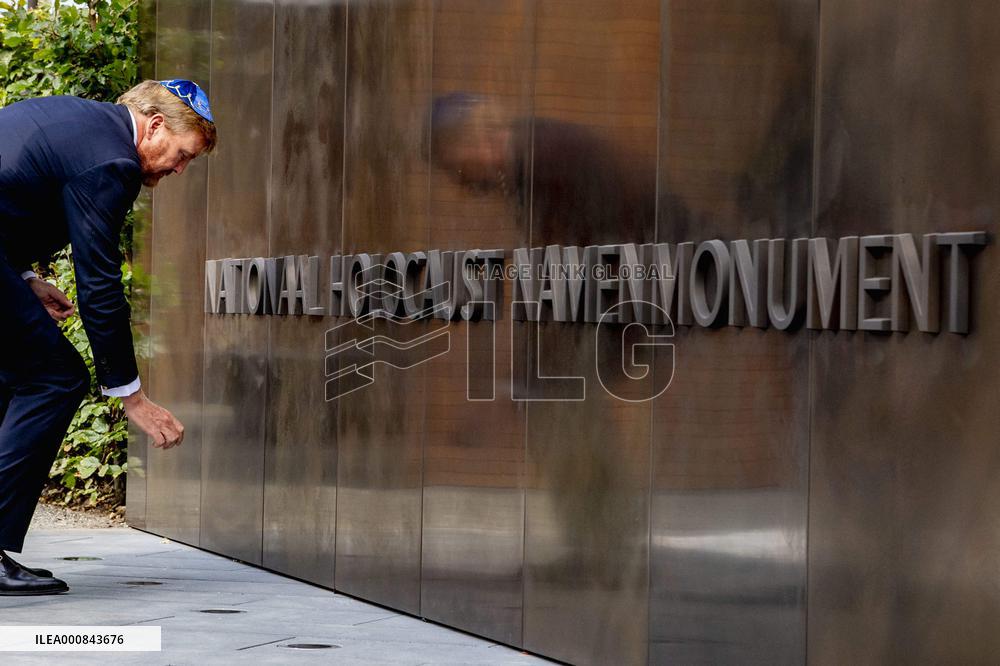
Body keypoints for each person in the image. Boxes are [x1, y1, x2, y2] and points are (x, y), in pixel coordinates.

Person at [0, 79, 216, 595]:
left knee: (15, 377)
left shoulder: (76, 119)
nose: (177, 170)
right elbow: (99, 285)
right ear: (156, 125)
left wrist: (26, 281)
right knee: (54, 378)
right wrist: (130, 395)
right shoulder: (113, 163)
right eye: (182, 156)